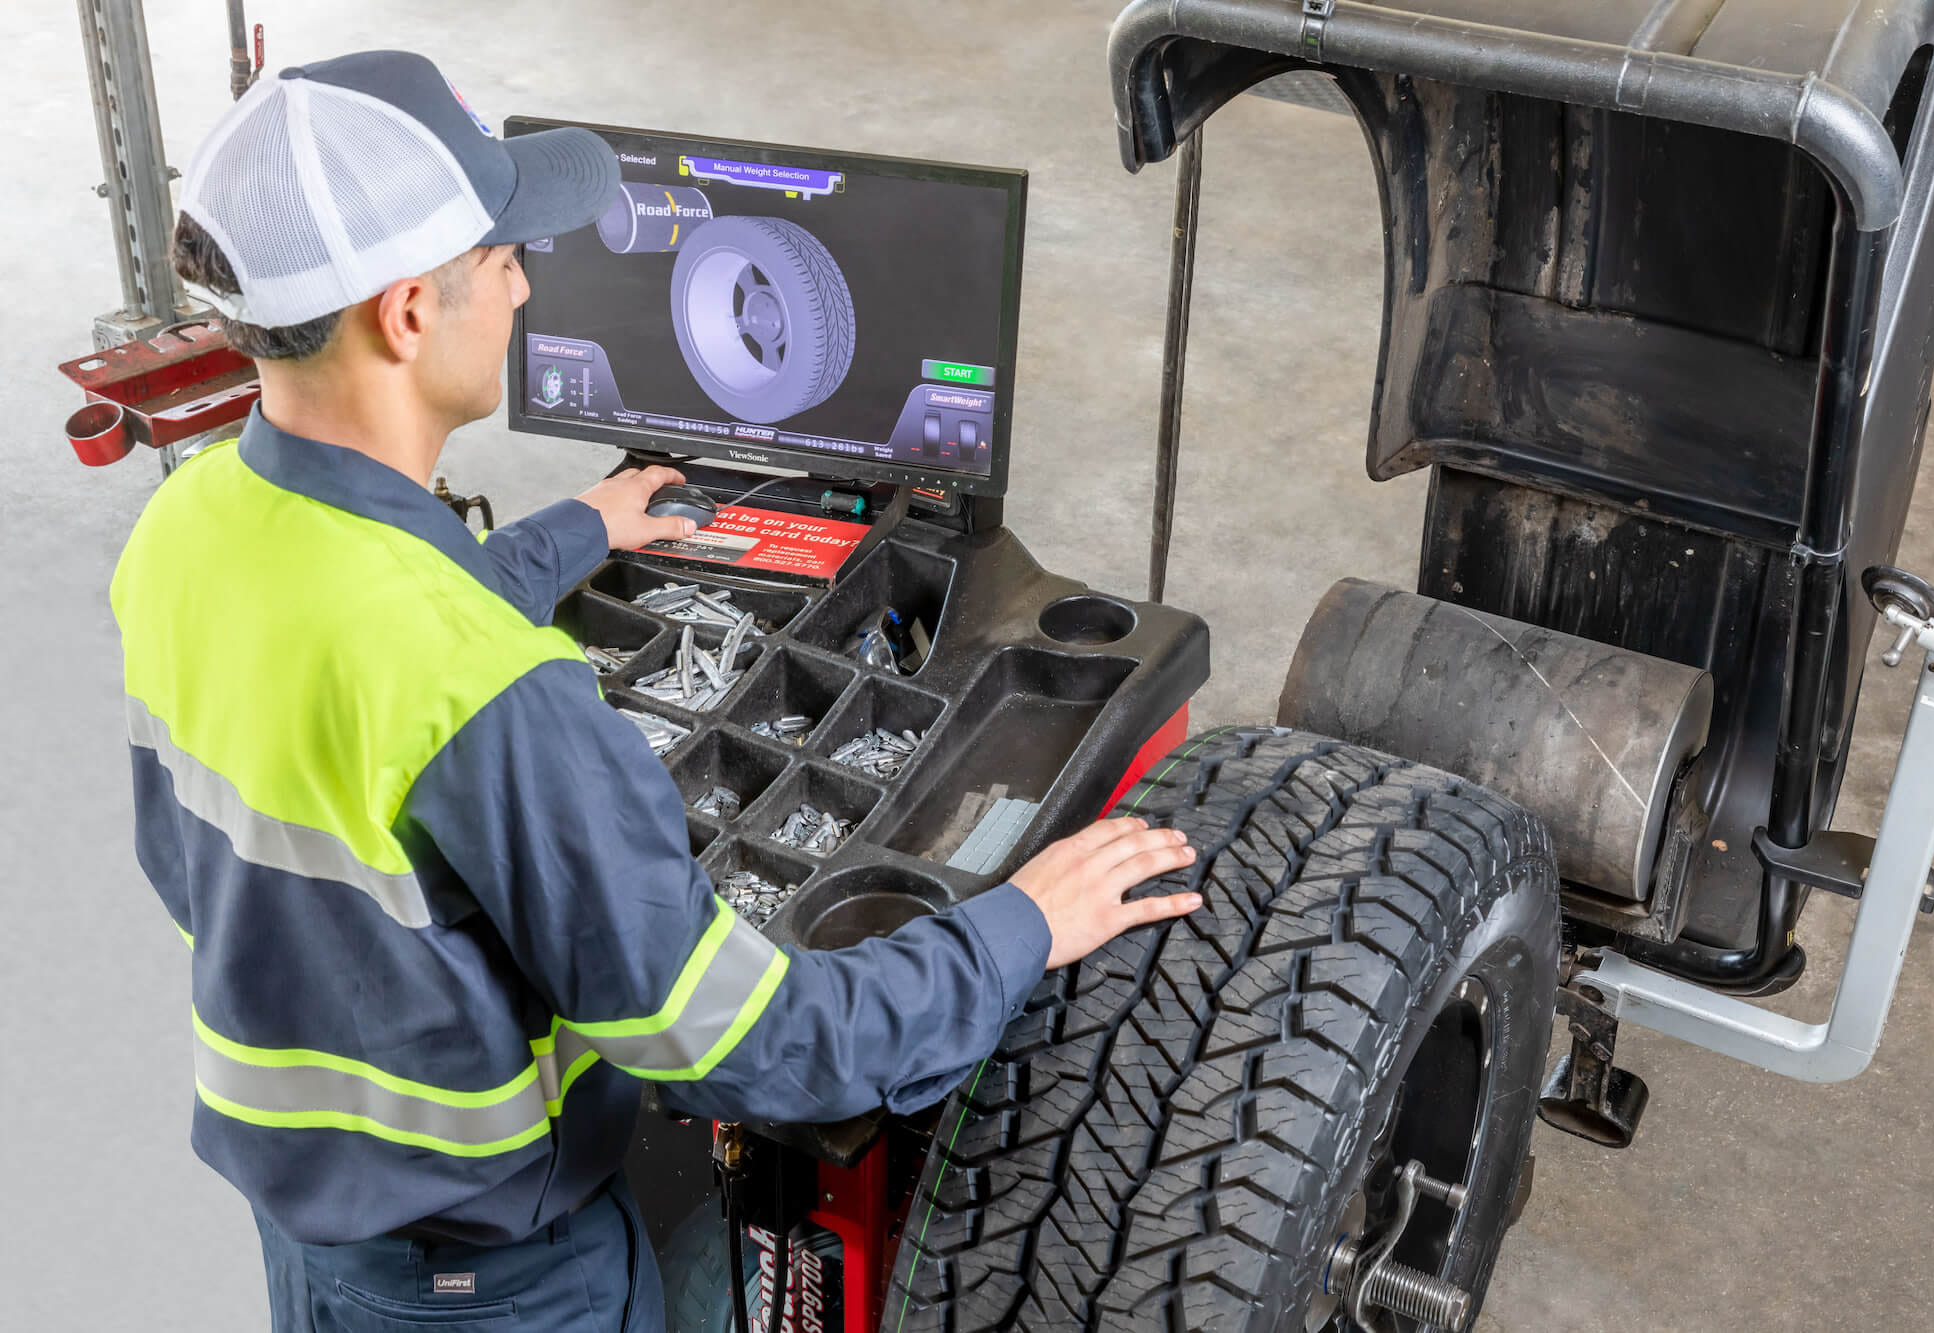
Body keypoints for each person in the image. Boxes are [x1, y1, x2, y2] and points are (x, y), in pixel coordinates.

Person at [110, 50, 1202, 1332]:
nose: (524, 285)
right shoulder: (489, 690)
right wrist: (1020, 920)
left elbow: (342, 651)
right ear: (407, 313)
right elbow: (754, 1047)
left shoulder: (183, 535)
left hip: (315, 1236)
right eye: (505, 257)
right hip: (504, 1287)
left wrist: (578, 526)